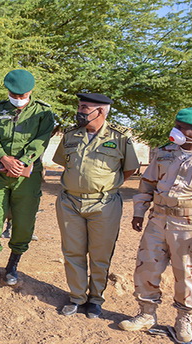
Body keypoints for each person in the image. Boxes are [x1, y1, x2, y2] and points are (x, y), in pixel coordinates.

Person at [119, 108, 192, 342]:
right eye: (176, 124)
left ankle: (183, 319)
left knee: (187, 275)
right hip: (158, 221)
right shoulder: (164, 152)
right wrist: (139, 212)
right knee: (146, 268)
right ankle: (146, 314)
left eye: (182, 127)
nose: (176, 130)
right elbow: (147, 185)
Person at [52, 93, 139, 318]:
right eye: (79, 106)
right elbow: (63, 162)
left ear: (100, 111)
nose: (79, 111)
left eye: (84, 107)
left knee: (100, 255)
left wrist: (106, 185)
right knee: (72, 252)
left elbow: (129, 168)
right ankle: (77, 297)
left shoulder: (120, 138)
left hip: (104, 204)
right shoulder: (71, 135)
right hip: (70, 202)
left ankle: (95, 299)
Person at [0, 69, 54, 286]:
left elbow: (41, 140)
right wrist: (4, 159)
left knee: (24, 219)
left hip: (27, 174)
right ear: (8, 91)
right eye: (15, 94)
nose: (19, 99)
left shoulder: (43, 112)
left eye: (23, 95)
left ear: (31, 91)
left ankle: (13, 265)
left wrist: (22, 161)